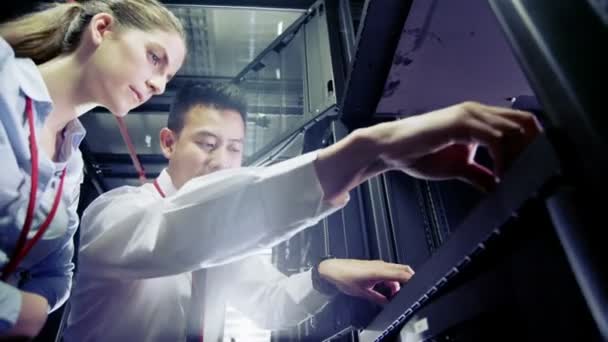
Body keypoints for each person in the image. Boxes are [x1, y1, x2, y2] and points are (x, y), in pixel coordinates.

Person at [63, 82, 540, 341]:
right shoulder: (116, 215)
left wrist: (322, 275)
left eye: (234, 149)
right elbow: (181, 234)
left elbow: (268, 304)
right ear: (168, 142)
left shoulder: (228, 237)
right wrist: (366, 151)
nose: (220, 160)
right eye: (206, 143)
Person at [0, 0, 186, 338]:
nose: (159, 85)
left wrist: (34, 309)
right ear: (102, 29)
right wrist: (13, 310)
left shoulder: (71, 165)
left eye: (167, 78)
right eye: (155, 58)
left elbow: (57, 273)